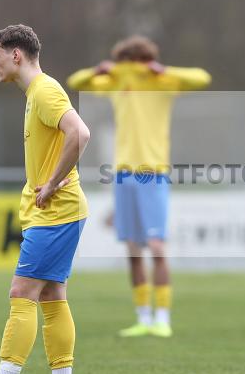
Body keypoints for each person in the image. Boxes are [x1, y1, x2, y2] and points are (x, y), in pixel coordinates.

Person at [0, 24, 90, 374]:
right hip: (58, 213)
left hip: (56, 213)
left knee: (22, 293)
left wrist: (50, 185)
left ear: (16, 55)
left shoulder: (45, 91)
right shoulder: (36, 94)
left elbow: (80, 134)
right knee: (51, 296)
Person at [67, 35, 211, 338]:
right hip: (122, 173)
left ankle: (163, 318)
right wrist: (99, 70)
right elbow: (76, 80)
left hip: (153, 172)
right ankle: (143, 317)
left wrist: (163, 70)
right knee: (133, 250)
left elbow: (201, 77)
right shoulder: (118, 83)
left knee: (157, 247)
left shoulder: (164, 82)